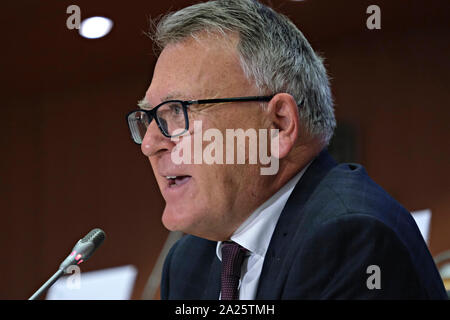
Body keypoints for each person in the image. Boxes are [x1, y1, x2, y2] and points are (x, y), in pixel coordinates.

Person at [126, 0, 447, 299]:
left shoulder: (350, 238)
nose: (151, 144)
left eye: (176, 112)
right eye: (149, 118)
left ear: (278, 124)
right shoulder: (188, 263)